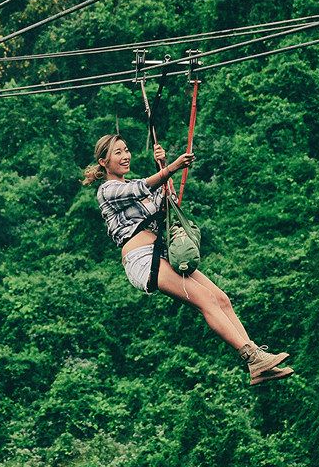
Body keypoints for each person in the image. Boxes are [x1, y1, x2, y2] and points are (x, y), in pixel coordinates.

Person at [83, 134, 292, 385]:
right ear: (103, 161)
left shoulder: (141, 184)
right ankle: (251, 357)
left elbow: (167, 201)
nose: (126, 156)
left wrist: (164, 168)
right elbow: (139, 189)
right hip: (142, 260)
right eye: (118, 152)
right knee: (204, 299)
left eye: (126, 150)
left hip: (161, 253)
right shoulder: (108, 190)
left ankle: (258, 359)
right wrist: (170, 169)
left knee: (220, 298)